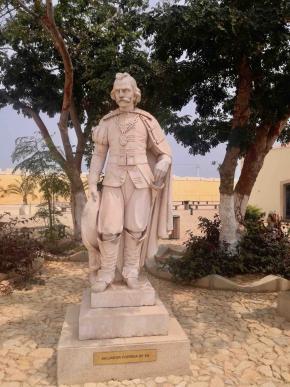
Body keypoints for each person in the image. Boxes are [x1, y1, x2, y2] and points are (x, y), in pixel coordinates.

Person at [85, 72, 173, 292]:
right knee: (109, 228)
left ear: (135, 94)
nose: (122, 94)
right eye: (119, 91)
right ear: (114, 95)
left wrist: (164, 161)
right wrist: (93, 182)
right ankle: (106, 273)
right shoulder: (107, 122)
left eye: (126, 90)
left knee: (135, 228)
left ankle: (131, 271)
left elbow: (164, 152)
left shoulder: (147, 120)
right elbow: (98, 155)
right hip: (113, 179)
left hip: (141, 180)